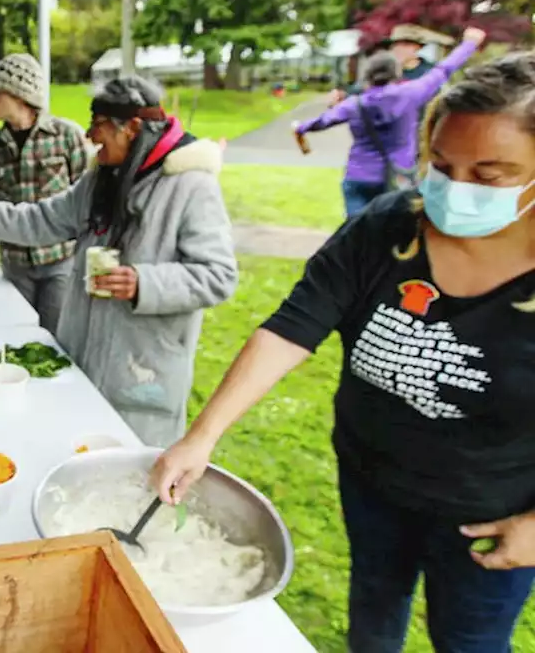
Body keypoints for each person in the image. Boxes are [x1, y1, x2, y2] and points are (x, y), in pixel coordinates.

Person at [153, 52, 535, 653]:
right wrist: (202, 435)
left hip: (485, 513)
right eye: (441, 165)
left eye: (489, 176)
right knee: (374, 613)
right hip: (373, 480)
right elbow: (290, 330)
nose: (457, 189)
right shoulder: (387, 228)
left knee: (470, 642)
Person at [0, 75, 237, 446]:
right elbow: (40, 220)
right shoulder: (102, 180)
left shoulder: (191, 186)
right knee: (78, 455)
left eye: (99, 126)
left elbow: (218, 275)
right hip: (85, 357)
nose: (90, 136)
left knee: (133, 476)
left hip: (141, 372)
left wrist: (145, 283)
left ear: (133, 128)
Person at [0, 53, 89, 332]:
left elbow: (86, 198)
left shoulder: (66, 137)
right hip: (15, 265)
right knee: (19, 335)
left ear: (18, 94)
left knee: (57, 337)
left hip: (60, 263)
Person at [295, 27, 485, 218]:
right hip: (398, 175)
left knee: (355, 231)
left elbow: (322, 121)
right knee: (392, 230)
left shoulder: (354, 104)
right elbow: (444, 70)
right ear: (396, 73)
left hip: (358, 175)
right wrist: (469, 44)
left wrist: (300, 128)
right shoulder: (412, 93)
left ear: (368, 75)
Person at [328, 24, 458, 105]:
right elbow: (359, 90)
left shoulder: (431, 72)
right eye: (395, 45)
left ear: (416, 47)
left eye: (404, 45)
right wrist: (341, 95)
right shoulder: (384, 70)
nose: (398, 49)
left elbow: (445, 102)